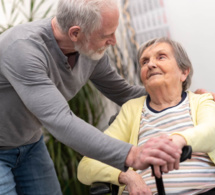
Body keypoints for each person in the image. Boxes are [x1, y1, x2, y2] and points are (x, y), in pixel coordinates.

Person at [0, 1, 183, 194]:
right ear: (75, 33)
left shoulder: (88, 51)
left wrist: (186, 95)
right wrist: (132, 154)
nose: (114, 41)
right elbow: (60, 119)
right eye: (106, 35)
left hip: (30, 144)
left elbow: (124, 94)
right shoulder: (22, 49)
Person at [78, 37, 215, 195]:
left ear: (183, 72)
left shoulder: (201, 101)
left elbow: (211, 131)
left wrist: (178, 140)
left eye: (161, 57)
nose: (150, 64)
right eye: (144, 62)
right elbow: (88, 163)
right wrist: (127, 176)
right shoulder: (131, 109)